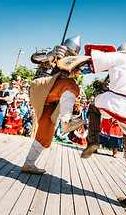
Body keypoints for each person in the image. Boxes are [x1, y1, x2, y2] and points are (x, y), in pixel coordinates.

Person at [79, 42, 126, 210]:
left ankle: (93, 141)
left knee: (93, 106)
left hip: (119, 104)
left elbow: (91, 62)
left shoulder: (119, 57)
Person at [22, 36, 86, 175]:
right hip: (40, 87)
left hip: (52, 98)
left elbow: (83, 70)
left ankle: (28, 164)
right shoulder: (52, 51)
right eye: (69, 50)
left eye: (73, 53)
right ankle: (66, 122)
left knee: (46, 133)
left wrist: (86, 66)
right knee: (71, 84)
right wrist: (50, 54)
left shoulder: (72, 63)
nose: (70, 54)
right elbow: (33, 58)